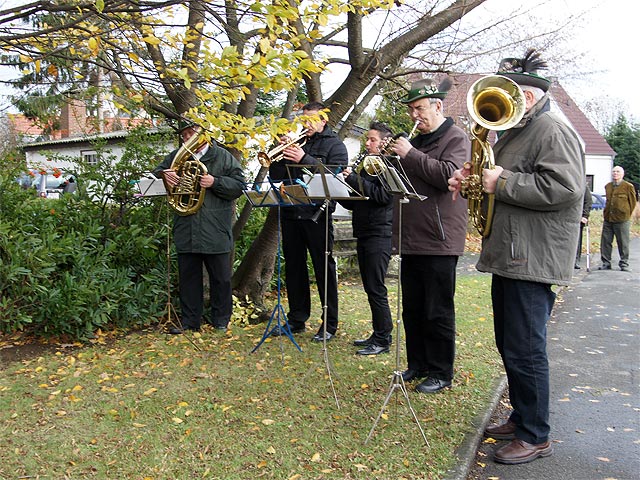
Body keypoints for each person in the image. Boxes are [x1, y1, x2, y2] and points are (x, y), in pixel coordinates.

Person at [448, 49, 585, 465]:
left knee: (526, 348)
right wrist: (472, 177)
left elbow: (564, 188)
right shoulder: (518, 128)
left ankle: (535, 434)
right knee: (511, 344)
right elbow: (496, 175)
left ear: (527, 97)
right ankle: (522, 416)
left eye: (511, 95)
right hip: (512, 251)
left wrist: (501, 180)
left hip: (532, 255)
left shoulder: (551, 129)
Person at [389, 78, 470, 393]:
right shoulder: (417, 141)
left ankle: (441, 372)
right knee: (413, 307)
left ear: (438, 105)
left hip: (439, 238)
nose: (414, 116)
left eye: (419, 108)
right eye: (411, 110)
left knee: (437, 309)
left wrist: (409, 154)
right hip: (411, 237)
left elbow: (448, 176)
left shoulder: (456, 138)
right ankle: (418, 364)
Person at [154, 123, 245, 334]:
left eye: (191, 134)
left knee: (221, 279)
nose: (187, 138)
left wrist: (215, 182)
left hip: (215, 228)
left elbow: (239, 185)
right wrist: (163, 174)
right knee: (188, 279)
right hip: (186, 226)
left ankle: (221, 321)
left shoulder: (222, 156)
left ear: (203, 135)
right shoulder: (178, 155)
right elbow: (158, 170)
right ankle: (190, 322)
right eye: (184, 135)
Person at [268, 102, 348, 342]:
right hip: (291, 212)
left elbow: (335, 176)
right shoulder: (296, 142)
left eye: (312, 119)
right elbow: (275, 175)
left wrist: (304, 158)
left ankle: (329, 323)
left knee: (324, 268)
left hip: (318, 215)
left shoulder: (335, 145)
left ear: (324, 120)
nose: (306, 124)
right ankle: (296, 319)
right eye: (303, 119)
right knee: (294, 268)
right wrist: (280, 153)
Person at [339, 122, 394, 355]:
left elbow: (382, 196)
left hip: (380, 233)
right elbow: (360, 200)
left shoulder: (389, 167)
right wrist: (338, 190)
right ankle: (378, 333)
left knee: (376, 287)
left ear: (384, 142)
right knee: (370, 287)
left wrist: (352, 180)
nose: (368, 143)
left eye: (372, 139)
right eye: (367, 140)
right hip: (364, 230)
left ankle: (383, 339)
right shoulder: (367, 166)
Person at [598, 166, 637, 272]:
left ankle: (624, 263)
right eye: (614, 171)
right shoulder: (608, 186)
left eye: (618, 172)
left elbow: (632, 203)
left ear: (622, 174)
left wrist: (626, 213)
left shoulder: (628, 186)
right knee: (605, 242)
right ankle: (606, 262)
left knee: (623, 242)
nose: (615, 173)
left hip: (622, 219)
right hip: (608, 218)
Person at [575, 184, 592, 269]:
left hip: (578, 218)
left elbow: (588, 201)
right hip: (565, 217)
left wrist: (585, 216)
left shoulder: (583, 185)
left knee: (577, 241)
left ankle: (575, 260)